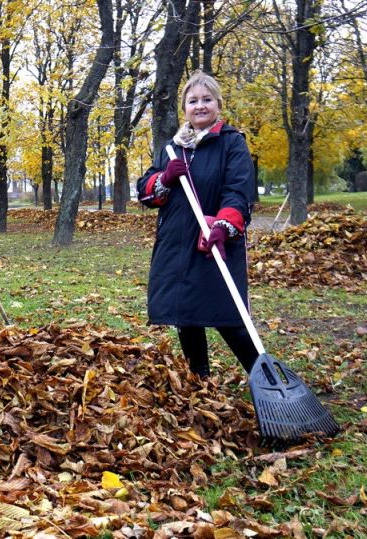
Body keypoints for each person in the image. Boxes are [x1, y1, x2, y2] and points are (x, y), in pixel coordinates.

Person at [136, 71, 258, 379]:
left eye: (206, 100)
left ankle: (262, 377)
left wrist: (221, 226)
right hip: (177, 242)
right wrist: (163, 178)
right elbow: (145, 192)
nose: (199, 106)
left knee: (228, 315)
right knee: (186, 314)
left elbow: (238, 192)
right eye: (193, 101)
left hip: (212, 242)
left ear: (218, 104)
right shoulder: (173, 147)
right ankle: (199, 378)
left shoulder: (231, 143)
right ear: (184, 107)